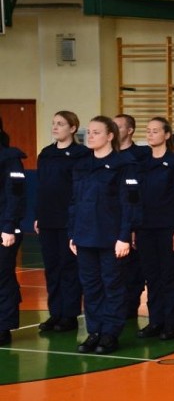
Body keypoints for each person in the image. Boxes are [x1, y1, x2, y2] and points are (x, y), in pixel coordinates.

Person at [69, 116, 139, 354]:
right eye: (89, 132)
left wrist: (124, 236)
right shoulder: (81, 165)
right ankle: (95, 331)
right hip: (85, 236)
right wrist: (73, 233)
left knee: (113, 285)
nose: (91, 136)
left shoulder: (123, 164)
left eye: (97, 132)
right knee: (91, 287)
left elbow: (128, 204)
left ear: (110, 136)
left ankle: (110, 333)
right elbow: (75, 202)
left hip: (110, 237)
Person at [35, 111, 89, 334]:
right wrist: (38, 215)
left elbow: (81, 189)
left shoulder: (81, 155)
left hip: (69, 220)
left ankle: (69, 315)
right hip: (48, 219)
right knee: (52, 268)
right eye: (53, 123)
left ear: (73, 128)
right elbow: (41, 186)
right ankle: (55, 312)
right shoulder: (46, 154)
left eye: (60, 124)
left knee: (69, 269)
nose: (55, 127)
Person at [135, 117, 174, 341]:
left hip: (167, 227)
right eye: (148, 130)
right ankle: (155, 320)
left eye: (155, 131)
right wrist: (134, 227)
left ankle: (171, 322)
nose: (150, 134)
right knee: (151, 276)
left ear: (166, 135)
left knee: (170, 277)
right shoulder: (142, 162)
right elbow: (135, 198)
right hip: (146, 227)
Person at [114, 114, 151, 321]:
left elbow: (139, 194)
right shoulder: (107, 156)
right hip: (110, 223)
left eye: (119, 126)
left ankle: (130, 309)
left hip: (134, 222)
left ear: (129, 130)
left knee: (133, 271)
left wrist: (134, 226)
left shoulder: (141, 155)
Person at [0, 129, 26, 345]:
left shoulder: (10, 158)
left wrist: (8, 226)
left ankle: (3, 326)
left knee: (2, 276)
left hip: (3, 229)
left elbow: (15, 194)